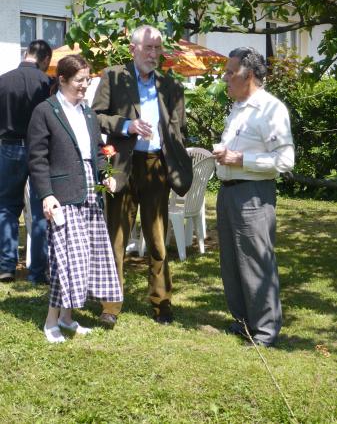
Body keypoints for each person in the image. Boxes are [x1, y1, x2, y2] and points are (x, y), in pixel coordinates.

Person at [92, 25, 193, 326]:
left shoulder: (170, 85)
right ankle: (110, 305)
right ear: (133, 48)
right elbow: (95, 115)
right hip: (122, 163)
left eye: (158, 47)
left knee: (158, 238)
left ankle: (161, 303)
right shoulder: (114, 76)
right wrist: (127, 126)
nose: (153, 53)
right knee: (117, 237)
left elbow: (180, 128)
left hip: (155, 166)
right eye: (148, 47)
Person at [27, 54, 123, 343]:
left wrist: (107, 174)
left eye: (88, 80)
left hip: (89, 192)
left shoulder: (88, 113)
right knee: (64, 260)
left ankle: (68, 318)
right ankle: (50, 322)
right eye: (80, 80)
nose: (85, 85)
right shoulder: (45, 111)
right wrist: (46, 195)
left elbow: (97, 149)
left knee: (83, 259)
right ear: (63, 80)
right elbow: (37, 159)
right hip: (62, 195)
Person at [213, 47, 295, 347]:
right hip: (230, 192)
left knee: (256, 260)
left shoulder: (271, 109)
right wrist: (226, 153)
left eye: (230, 72)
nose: (225, 78)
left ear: (248, 75)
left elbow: (285, 160)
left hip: (254, 194)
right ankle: (244, 321)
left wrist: (240, 160)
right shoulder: (238, 106)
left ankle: (265, 331)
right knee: (233, 261)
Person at [0, 39, 52, 284]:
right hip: (39, 149)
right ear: (45, 60)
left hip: (9, 146)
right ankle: (37, 272)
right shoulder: (46, 83)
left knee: (7, 208)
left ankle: (6, 266)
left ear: (26, 54)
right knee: (42, 210)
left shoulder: (4, 80)